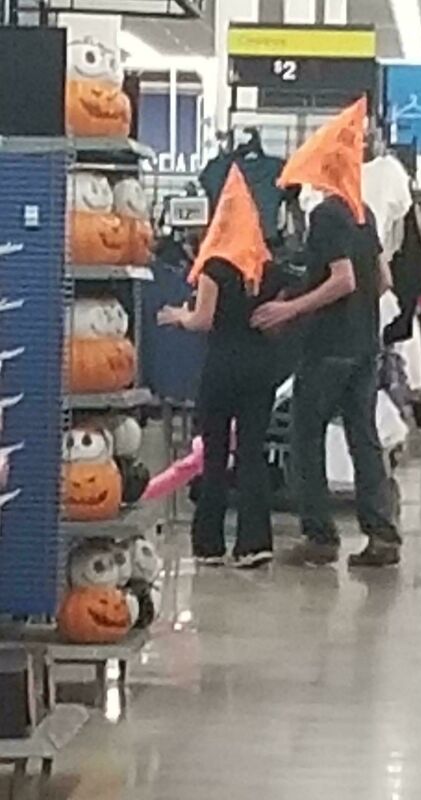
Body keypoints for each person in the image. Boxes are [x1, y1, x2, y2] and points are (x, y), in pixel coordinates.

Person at [251, 180, 402, 568]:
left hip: (328, 346)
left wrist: (291, 308)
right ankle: (382, 534)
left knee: (305, 438)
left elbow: (343, 278)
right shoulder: (362, 210)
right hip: (366, 343)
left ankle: (319, 537)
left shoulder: (325, 215)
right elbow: (383, 279)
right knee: (364, 437)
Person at [159, 166, 290, 569]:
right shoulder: (269, 269)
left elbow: (203, 320)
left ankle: (209, 544)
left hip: (221, 368)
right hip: (260, 369)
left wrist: (177, 316)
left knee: (215, 454)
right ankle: (254, 543)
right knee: (252, 453)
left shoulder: (216, 266)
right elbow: (276, 323)